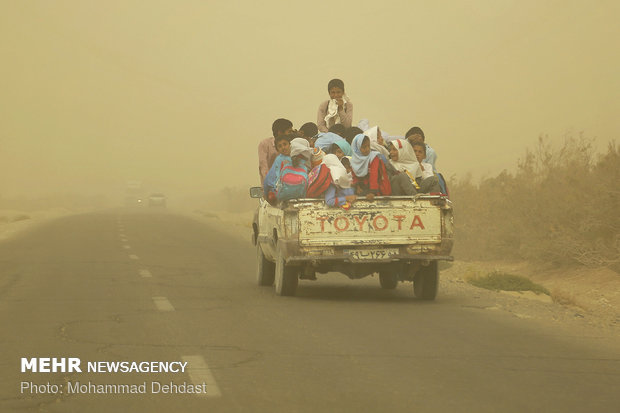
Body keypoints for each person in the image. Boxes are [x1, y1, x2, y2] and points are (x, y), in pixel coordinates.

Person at [350, 134, 391, 200]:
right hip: (363, 187)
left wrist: (372, 192)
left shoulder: (373, 157)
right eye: (363, 147)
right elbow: (354, 175)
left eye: (368, 146)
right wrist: (357, 186)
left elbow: (374, 175)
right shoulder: (354, 160)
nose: (367, 149)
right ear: (357, 148)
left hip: (377, 187)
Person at [259, 118, 295, 184]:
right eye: (289, 131)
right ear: (280, 133)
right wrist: (269, 183)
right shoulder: (265, 144)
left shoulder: (293, 144)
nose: (291, 134)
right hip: (272, 186)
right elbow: (263, 166)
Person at [263, 135, 292, 202]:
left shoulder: (296, 157)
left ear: (290, 144)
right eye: (280, 146)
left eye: (285, 144)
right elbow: (269, 180)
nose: (283, 148)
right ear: (277, 150)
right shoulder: (279, 160)